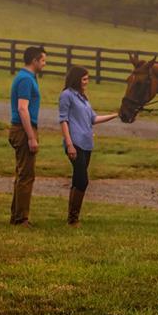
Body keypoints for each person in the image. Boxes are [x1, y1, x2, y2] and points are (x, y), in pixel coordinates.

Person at [58, 65, 118, 225]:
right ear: (77, 79)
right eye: (84, 79)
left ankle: (72, 217)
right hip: (75, 143)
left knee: (78, 180)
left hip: (86, 144)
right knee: (83, 180)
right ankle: (73, 218)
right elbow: (63, 120)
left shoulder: (83, 98)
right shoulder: (66, 96)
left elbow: (93, 119)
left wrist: (115, 115)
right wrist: (69, 144)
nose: (87, 82)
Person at [8, 45, 46, 226]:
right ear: (35, 60)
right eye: (43, 60)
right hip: (24, 129)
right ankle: (21, 218)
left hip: (24, 129)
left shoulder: (29, 78)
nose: (45, 64)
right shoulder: (25, 79)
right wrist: (31, 136)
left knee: (22, 174)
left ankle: (16, 215)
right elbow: (22, 109)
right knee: (26, 176)